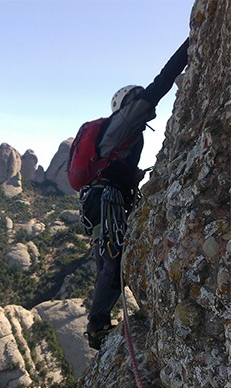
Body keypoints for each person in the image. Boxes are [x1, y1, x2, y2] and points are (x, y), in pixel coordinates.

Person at [78, 38, 189, 350]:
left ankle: (98, 322)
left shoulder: (123, 131)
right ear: (128, 101)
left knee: (111, 263)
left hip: (105, 200)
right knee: (112, 265)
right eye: (136, 97)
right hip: (108, 200)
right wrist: (189, 48)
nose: (143, 99)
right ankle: (97, 326)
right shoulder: (125, 121)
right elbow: (161, 84)